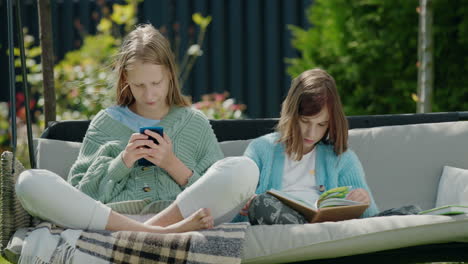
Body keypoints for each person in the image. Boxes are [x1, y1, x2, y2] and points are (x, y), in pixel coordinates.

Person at [15, 24, 259, 233]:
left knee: (244, 168)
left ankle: (153, 230)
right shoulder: (105, 123)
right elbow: (81, 194)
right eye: (139, 85)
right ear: (125, 81)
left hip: (181, 215)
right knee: (28, 181)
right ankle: (155, 234)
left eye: (156, 83)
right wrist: (122, 162)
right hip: (113, 221)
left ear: (170, 76)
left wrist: (172, 164)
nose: (149, 94)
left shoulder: (193, 122)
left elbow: (213, 188)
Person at [238, 68, 379, 225]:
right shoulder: (260, 150)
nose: (311, 133)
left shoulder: (342, 159)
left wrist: (362, 199)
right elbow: (235, 214)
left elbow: (371, 218)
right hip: (285, 227)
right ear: (291, 114)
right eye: (305, 121)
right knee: (262, 203)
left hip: (331, 229)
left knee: (409, 212)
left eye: (321, 124)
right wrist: (247, 205)